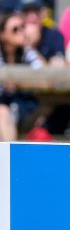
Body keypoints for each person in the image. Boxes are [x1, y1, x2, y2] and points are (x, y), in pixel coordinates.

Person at [0, 12, 43, 141]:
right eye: (15, 29)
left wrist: (28, 46)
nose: (21, 32)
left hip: (23, 107)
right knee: (2, 112)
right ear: (2, 35)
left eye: (22, 27)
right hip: (4, 105)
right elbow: (7, 83)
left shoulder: (26, 51)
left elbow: (44, 76)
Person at [16, 0, 64, 64]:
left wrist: (30, 47)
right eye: (26, 13)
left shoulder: (54, 36)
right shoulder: (13, 35)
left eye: (36, 12)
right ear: (19, 16)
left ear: (43, 14)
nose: (32, 17)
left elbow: (59, 67)